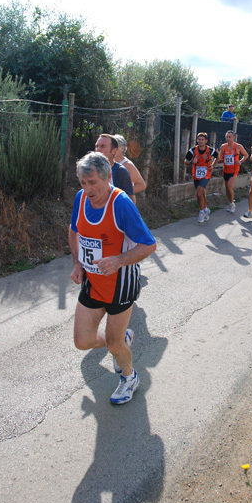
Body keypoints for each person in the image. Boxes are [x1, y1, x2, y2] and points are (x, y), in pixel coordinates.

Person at [69, 152, 157, 405]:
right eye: (83, 183)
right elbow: (74, 231)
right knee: (82, 341)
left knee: (114, 345)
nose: (88, 189)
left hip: (121, 285)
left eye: (93, 182)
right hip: (92, 282)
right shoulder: (81, 199)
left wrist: (118, 260)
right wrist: (77, 262)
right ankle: (120, 340)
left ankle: (129, 377)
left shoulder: (121, 204)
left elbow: (148, 245)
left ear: (108, 177)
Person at [184, 132, 219, 222]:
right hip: (196, 174)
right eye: (199, 139)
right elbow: (185, 161)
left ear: (206, 141)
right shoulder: (192, 150)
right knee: (202, 194)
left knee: (199, 193)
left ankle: (201, 212)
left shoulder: (210, 150)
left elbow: (218, 157)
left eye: (202, 139)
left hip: (206, 174)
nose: (200, 141)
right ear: (197, 140)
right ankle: (206, 209)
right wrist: (192, 162)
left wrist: (213, 165)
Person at [95, 134, 135, 202]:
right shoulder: (91, 169)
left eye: (103, 146)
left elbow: (131, 201)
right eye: (97, 146)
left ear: (114, 151)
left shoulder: (121, 171)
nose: (98, 149)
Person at [217, 130, 248, 213]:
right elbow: (220, 159)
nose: (228, 138)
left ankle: (232, 204)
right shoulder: (223, 147)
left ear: (234, 137)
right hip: (226, 169)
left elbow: (246, 155)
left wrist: (240, 161)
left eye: (230, 137)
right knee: (227, 189)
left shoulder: (238, 146)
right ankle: (231, 202)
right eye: (227, 137)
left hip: (234, 170)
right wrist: (217, 155)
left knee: (230, 186)